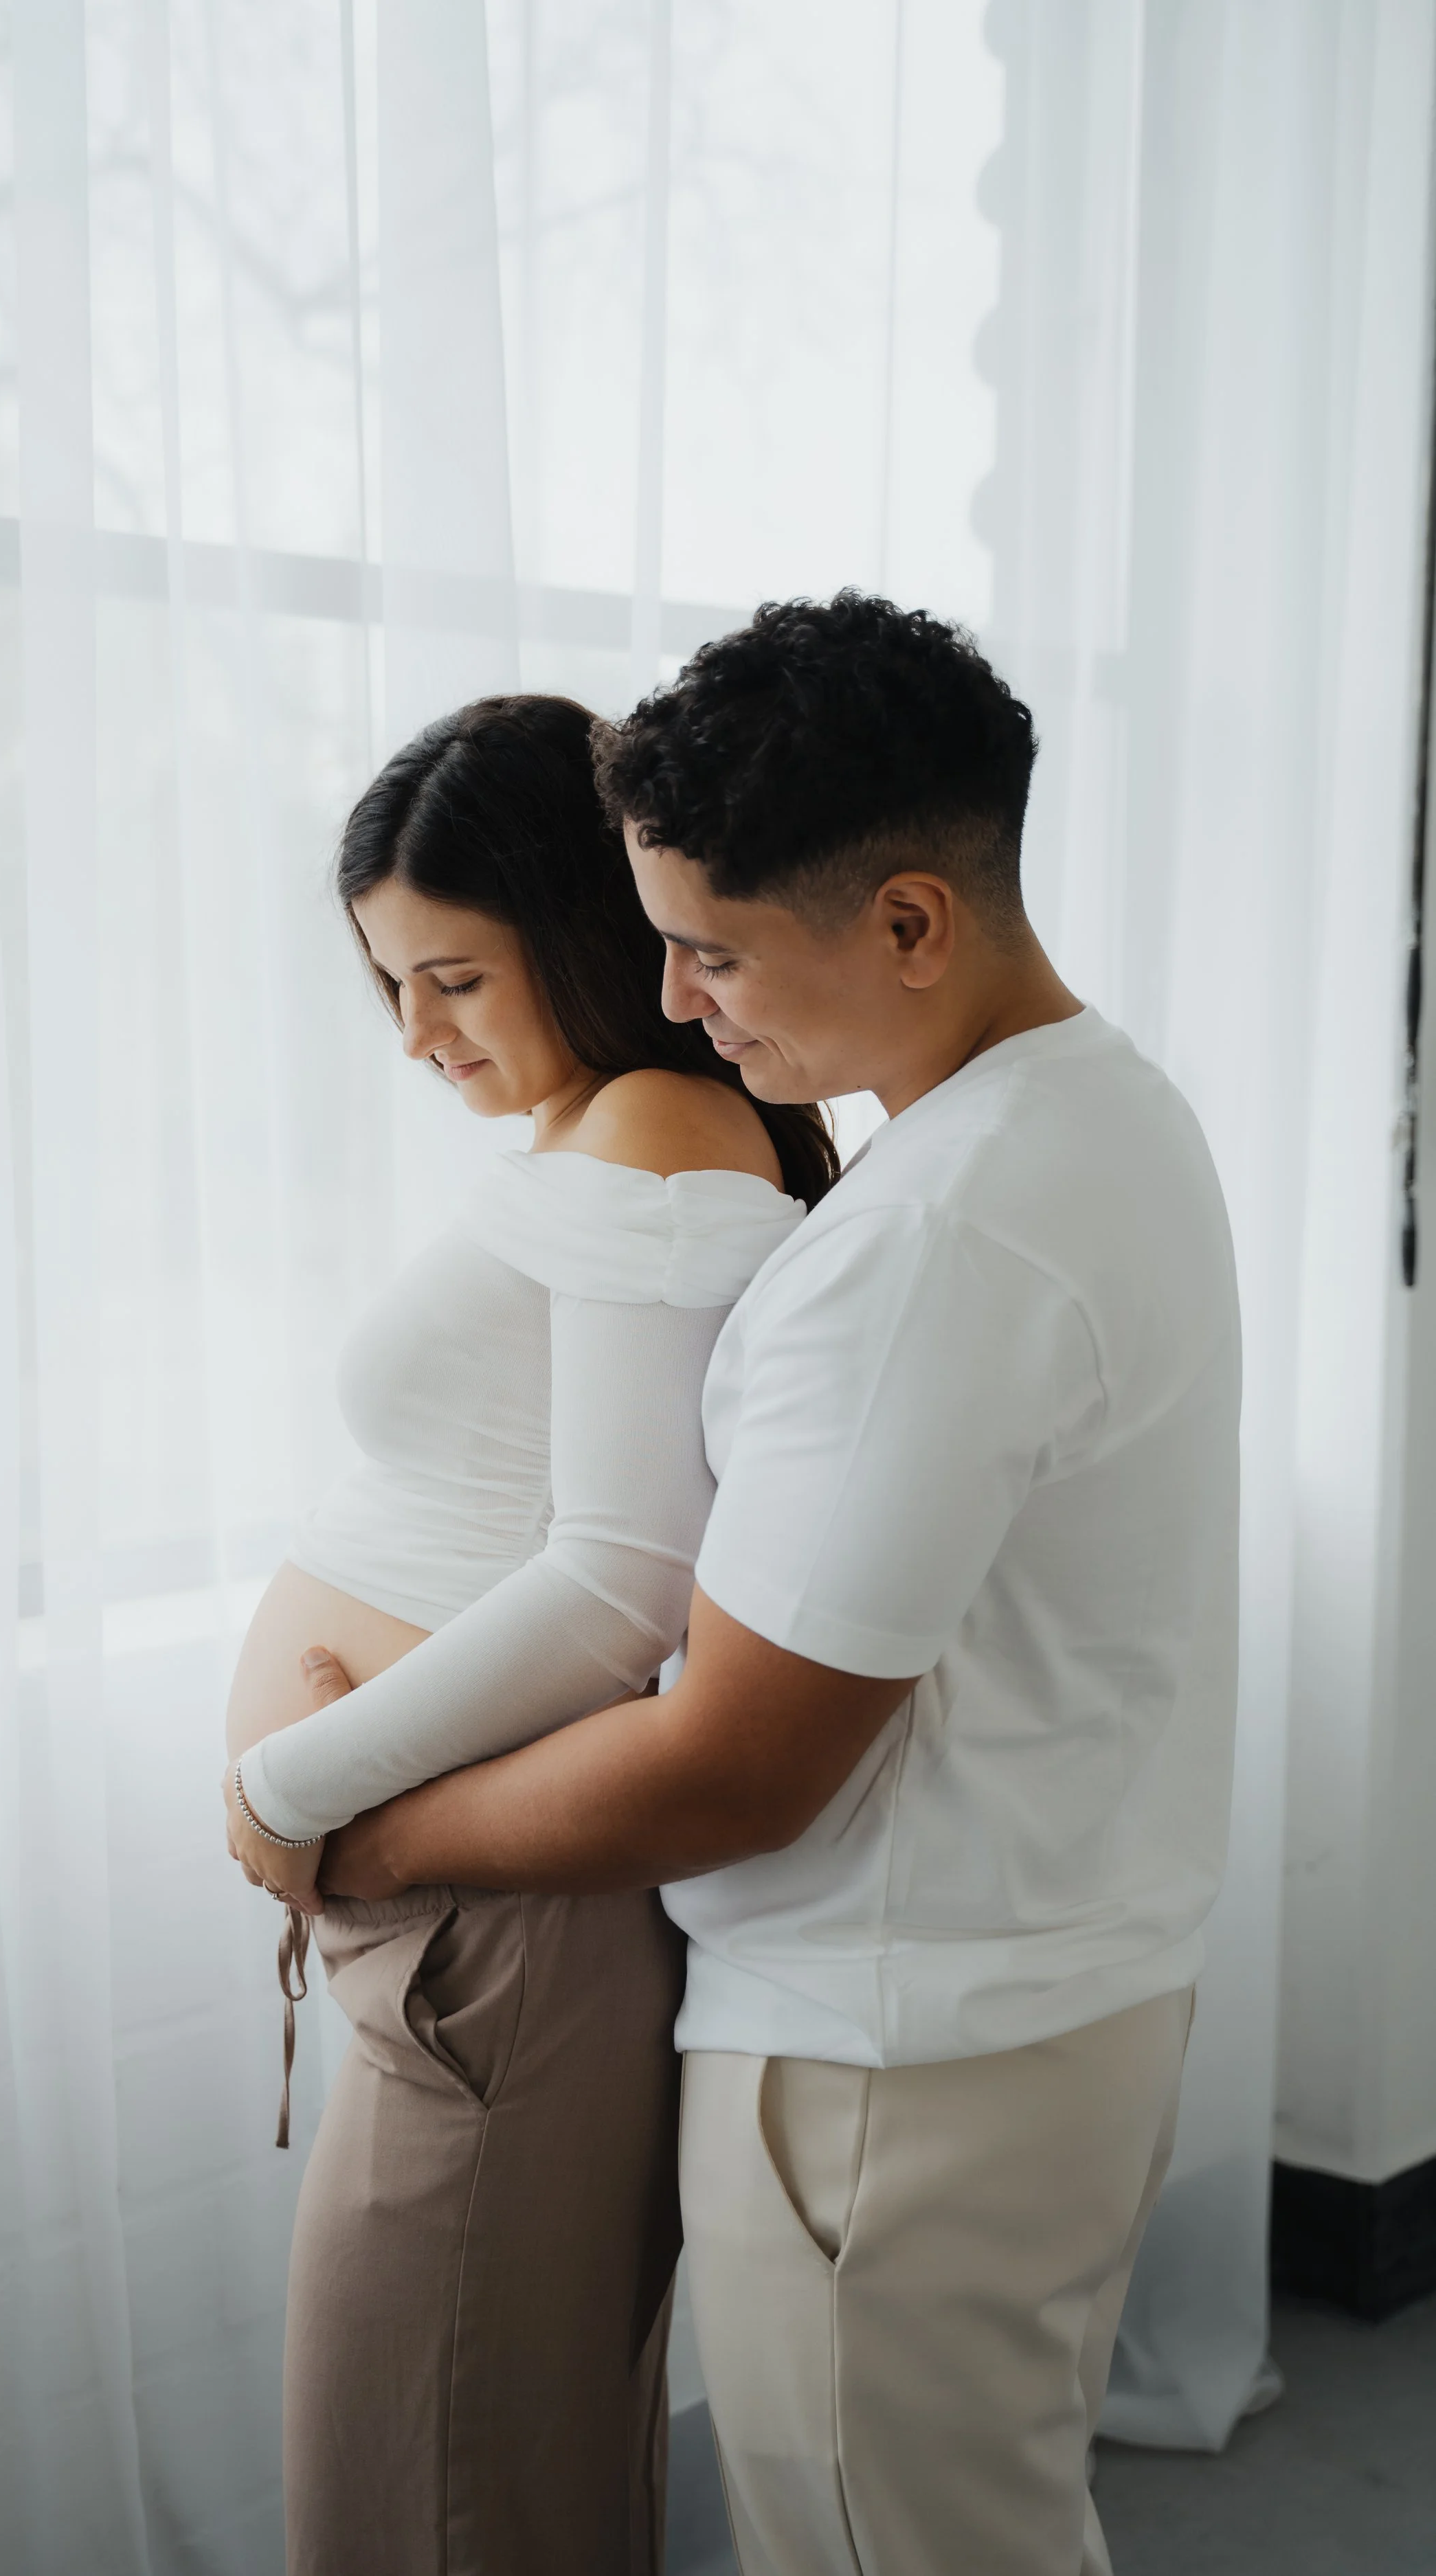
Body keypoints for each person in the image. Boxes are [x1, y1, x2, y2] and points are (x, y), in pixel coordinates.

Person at [294, 596, 1243, 2576]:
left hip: (893, 2063)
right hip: (1046, 1994)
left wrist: (346, 1834)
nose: (674, 994)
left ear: (909, 920)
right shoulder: (1106, 1112)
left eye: (711, 948)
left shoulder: (930, 1247)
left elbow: (734, 1759)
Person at [223, 692, 836, 2576]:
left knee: (434, 2498)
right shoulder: (603, 1136)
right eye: (387, 985)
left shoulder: (656, 1130)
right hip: (469, 1923)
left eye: (455, 978)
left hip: (504, 1921)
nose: (415, 1037)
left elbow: (615, 1586)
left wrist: (289, 1781)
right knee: (463, 2475)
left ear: (587, 932)